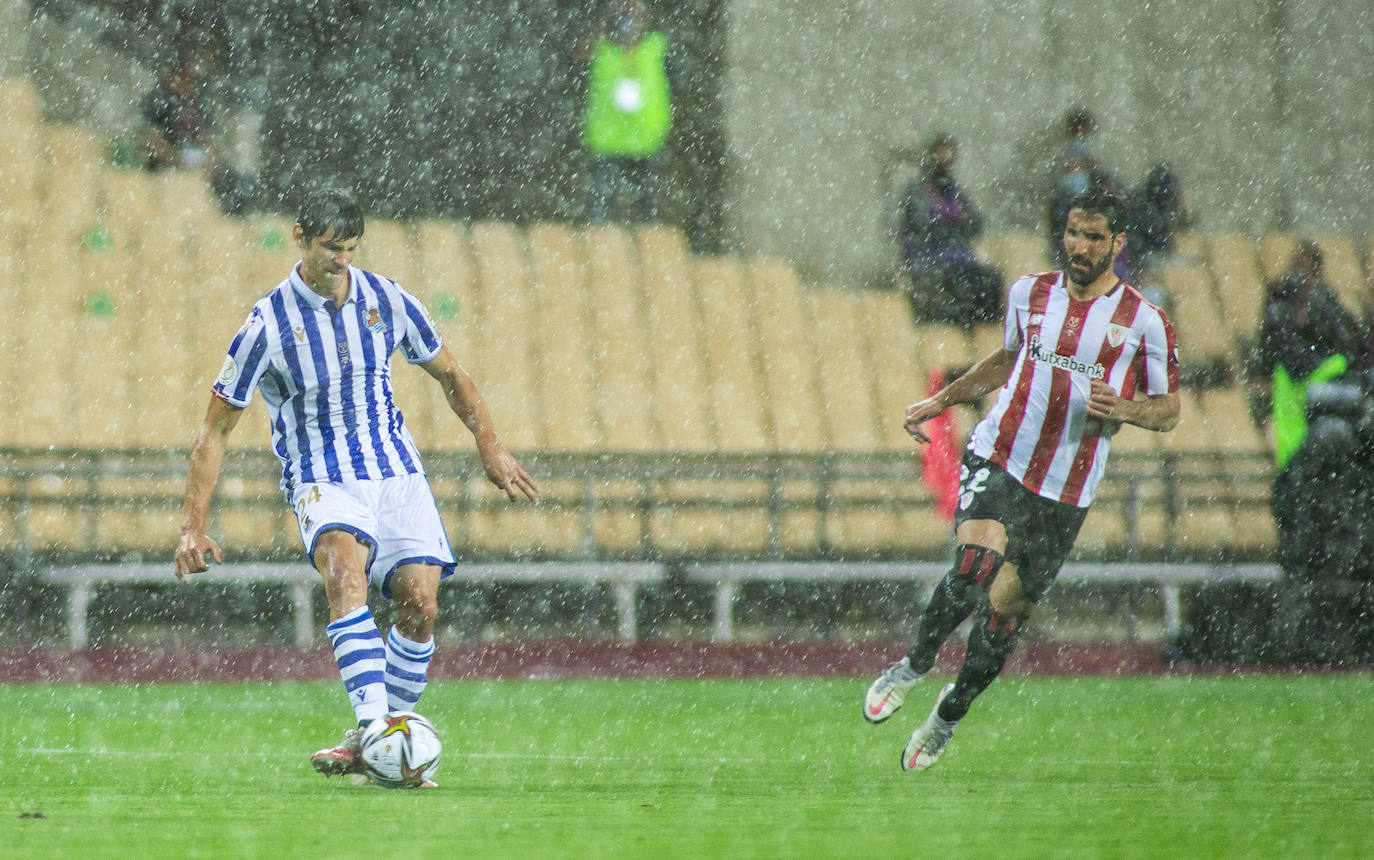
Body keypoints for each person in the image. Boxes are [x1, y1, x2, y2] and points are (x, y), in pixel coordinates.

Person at [172, 189, 539, 786]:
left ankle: (378, 737)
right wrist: (193, 523)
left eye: (349, 249)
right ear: (299, 237)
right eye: (328, 248)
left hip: (395, 470)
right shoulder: (266, 325)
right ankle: (376, 732)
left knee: (421, 603)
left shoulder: (387, 299)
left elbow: (452, 374)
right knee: (346, 578)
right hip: (323, 475)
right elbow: (216, 428)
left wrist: (489, 445)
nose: (340, 261)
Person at [863, 189, 1180, 772]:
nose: (1079, 247)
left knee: (1004, 618)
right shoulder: (1029, 293)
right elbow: (1008, 359)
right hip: (1001, 455)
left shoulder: (1144, 321)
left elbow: (1169, 410)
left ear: (1118, 243)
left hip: (1064, 490)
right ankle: (911, 664)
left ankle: (947, 714)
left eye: (1093, 238)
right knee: (973, 568)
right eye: (1072, 234)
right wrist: (941, 399)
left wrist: (1128, 409)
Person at [1256, 239, 1363, 467]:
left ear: (1316, 268)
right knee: (1291, 440)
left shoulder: (1325, 298)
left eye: (1303, 264)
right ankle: (1296, 475)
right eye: (1295, 263)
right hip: (1292, 377)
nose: (1298, 270)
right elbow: (1271, 340)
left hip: (1322, 376)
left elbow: (1343, 335)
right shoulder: (1280, 297)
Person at [581, 1, 672, 223]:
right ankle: (597, 246)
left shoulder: (657, 49)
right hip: (608, 140)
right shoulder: (600, 50)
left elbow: (674, 86)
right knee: (601, 202)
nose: (629, 23)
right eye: (624, 15)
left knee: (646, 206)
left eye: (635, 16)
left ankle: (647, 251)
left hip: (645, 139)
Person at [898, 133, 1002, 327]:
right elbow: (917, 230)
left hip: (959, 253)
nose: (945, 158)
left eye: (948, 153)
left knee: (989, 279)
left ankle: (978, 322)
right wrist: (946, 227)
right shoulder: (918, 191)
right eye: (940, 153)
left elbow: (976, 223)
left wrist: (963, 221)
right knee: (956, 278)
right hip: (932, 254)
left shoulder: (955, 192)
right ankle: (958, 318)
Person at [141, 48, 259, 216]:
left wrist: (211, 162)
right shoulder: (160, 97)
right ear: (182, 67)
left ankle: (233, 228)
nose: (196, 78)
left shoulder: (198, 100)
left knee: (245, 183)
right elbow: (151, 141)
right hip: (173, 159)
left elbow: (206, 139)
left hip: (195, 158)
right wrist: (177, 160)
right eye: (194, 69)